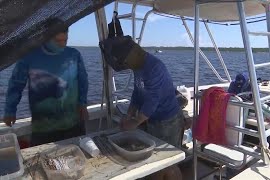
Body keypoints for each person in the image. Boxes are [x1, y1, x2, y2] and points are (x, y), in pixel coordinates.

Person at [100, 35, 184, 180]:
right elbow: (137, 93)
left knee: (168, 163)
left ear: (134, 53)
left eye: (125, 62)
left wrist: (134, 122)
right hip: (153, 120)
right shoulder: (137, 66)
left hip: (168, 121)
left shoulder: (154, 68)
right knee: (155, 162)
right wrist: (128, 114)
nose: (125, 65)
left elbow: (152, 101)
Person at [3, 27, 89, 146]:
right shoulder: (29, 56)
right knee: (43, 158)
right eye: (58, 41)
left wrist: (82, 103)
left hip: (73, 121)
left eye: (65, 40)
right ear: (45, 38)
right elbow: (16, 84)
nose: (62, 45)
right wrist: (10, 110)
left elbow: (83, 80)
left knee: (77, 154)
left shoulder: (74, 54)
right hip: (43, 125)